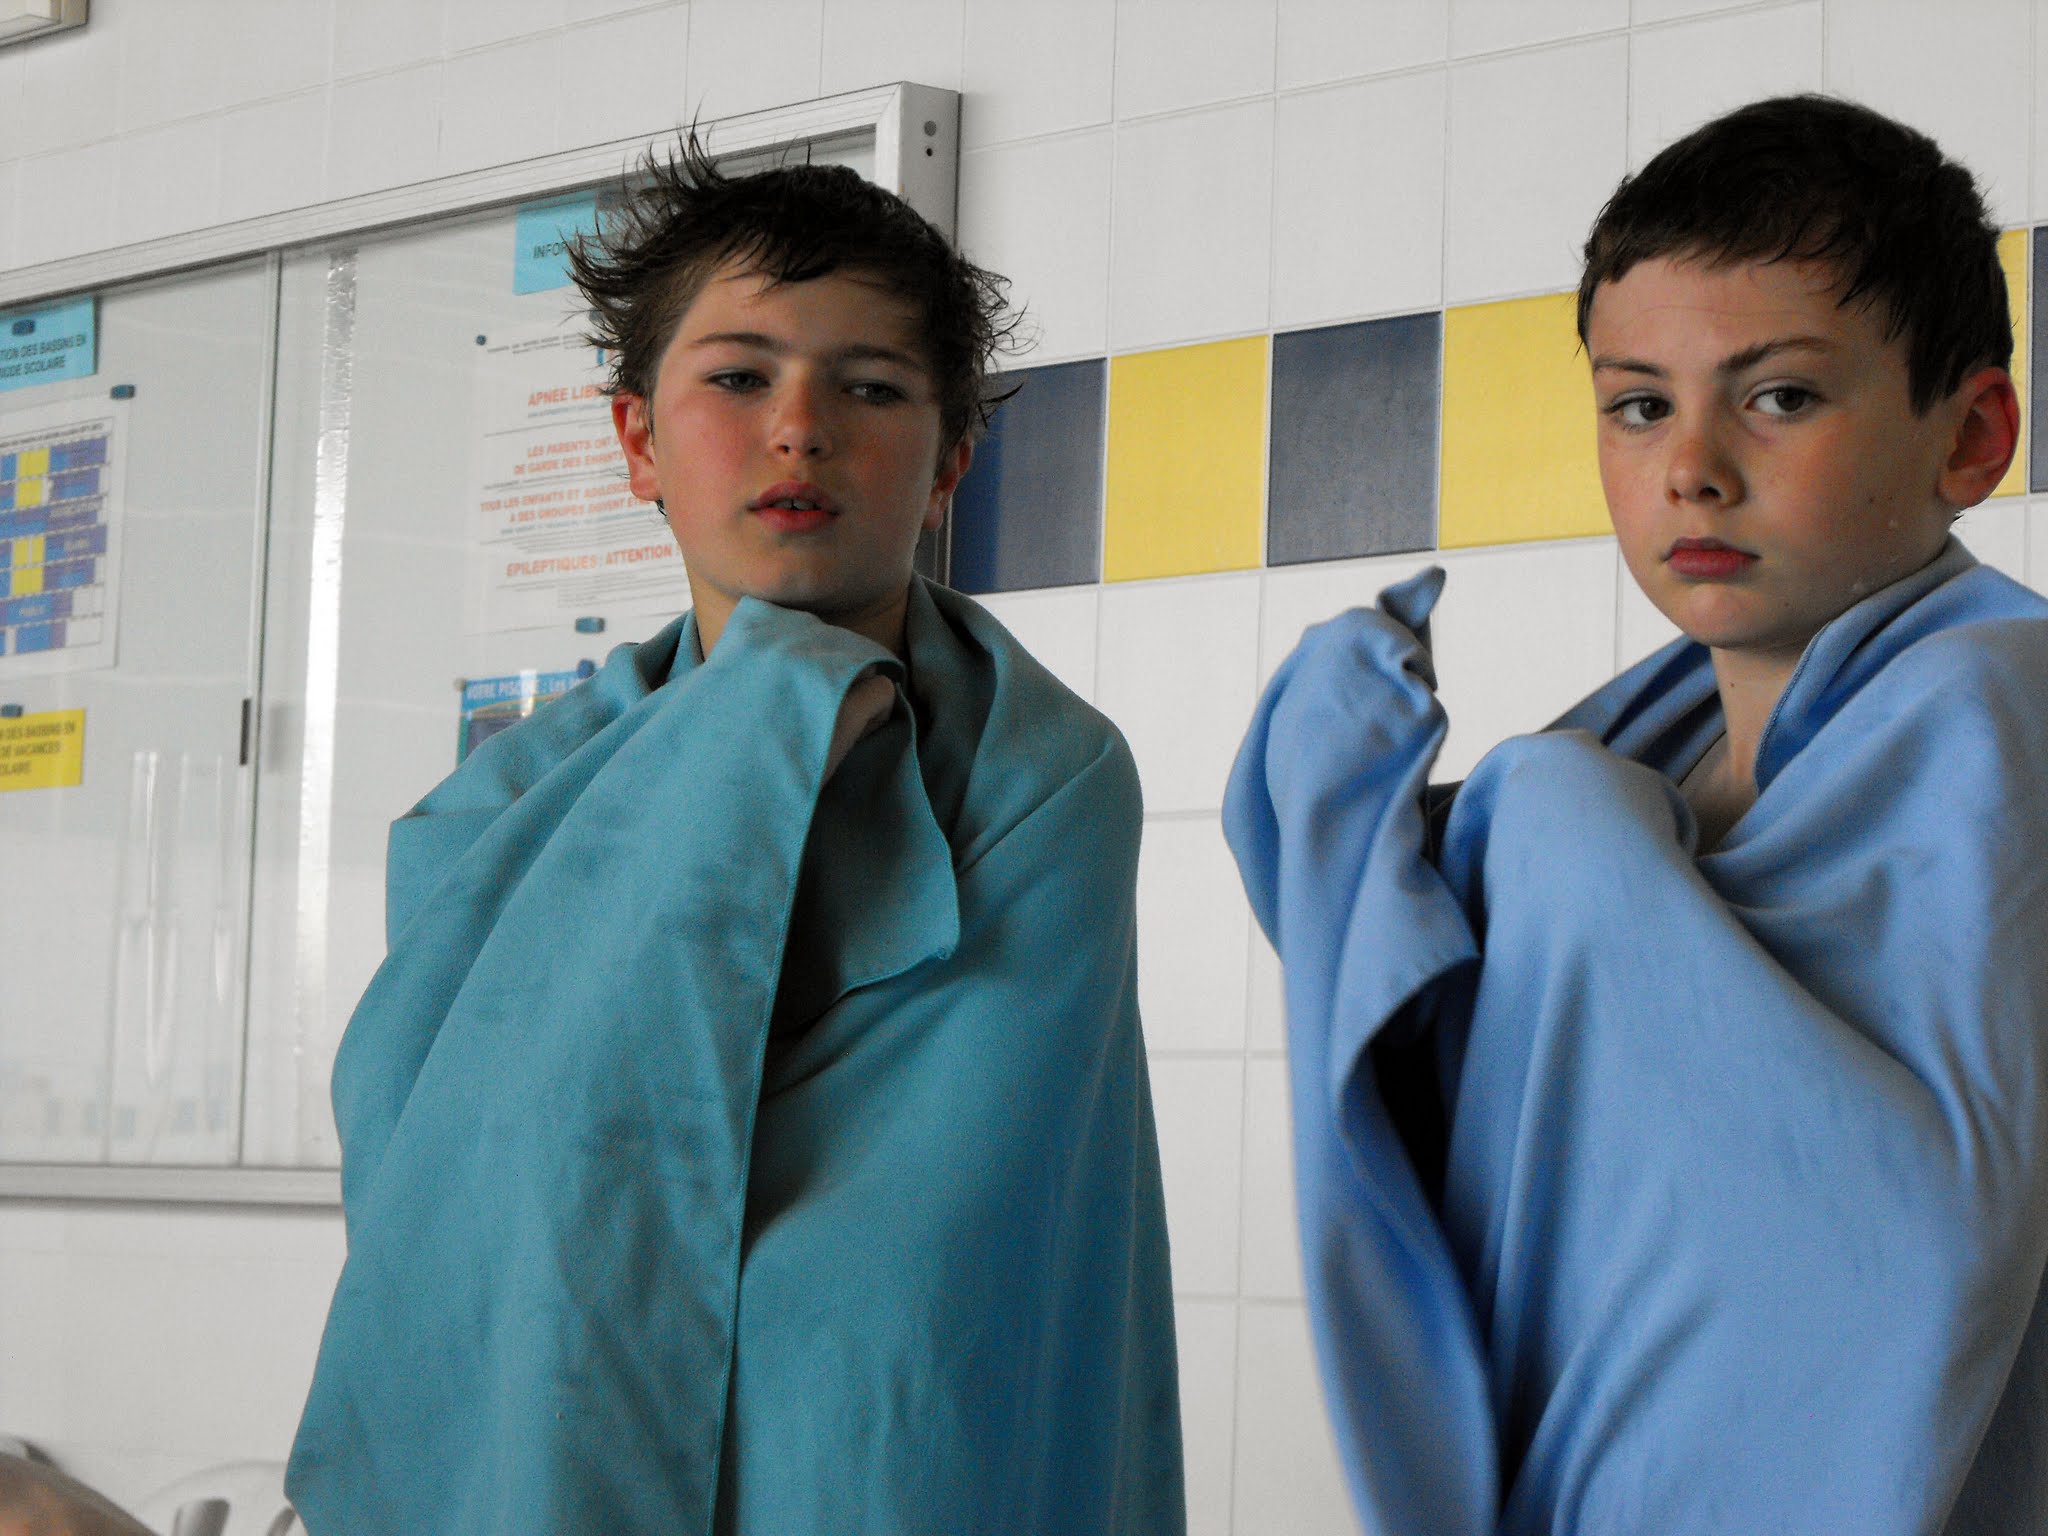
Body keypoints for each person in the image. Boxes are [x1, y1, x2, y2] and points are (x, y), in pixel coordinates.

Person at [287, 140, 1184, 1535]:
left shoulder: (1041, 778)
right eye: (739, 377)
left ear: (950, 460)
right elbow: (447, 1203)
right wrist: (782, 699)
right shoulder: (508, 805)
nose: (799, 429)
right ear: (638, 439)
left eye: (871, 387)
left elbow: (928, 1265)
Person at [1225, 94, 2048, 1533]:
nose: (1692, 468)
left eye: (1780, 397)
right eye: (1640, 404)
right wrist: (1363, 822)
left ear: (1971, 437)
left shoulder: (2001, 715)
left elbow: (1908, 1237)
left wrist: (1557, 831)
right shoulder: (1649, 745)